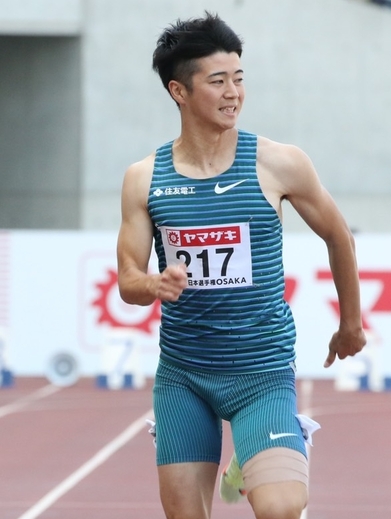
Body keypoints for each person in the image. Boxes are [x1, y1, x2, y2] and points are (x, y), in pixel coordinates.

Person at [116, 12, 366, 519]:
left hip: (262, 371)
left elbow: (339, 236)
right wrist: (155, 283)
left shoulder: (278, 163)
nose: (233, 93)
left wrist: (351, 324)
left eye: (239, 79)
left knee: (281, 507)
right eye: (217, 81)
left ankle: (253, 456)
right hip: (184, 375)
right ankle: (244, 456)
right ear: (179, 92)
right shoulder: (145, 179)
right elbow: (127, 282)